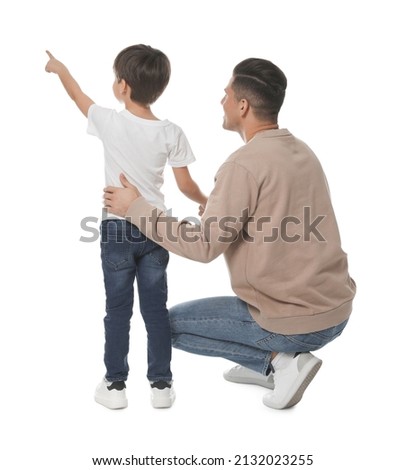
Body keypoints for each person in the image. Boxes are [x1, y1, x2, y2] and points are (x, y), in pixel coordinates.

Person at [103, 57, 356, 410]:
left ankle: (279, 363)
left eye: (226, 94)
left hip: (292, 320)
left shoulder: (243, 164)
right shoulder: (303, 151)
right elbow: (283, 220)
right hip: (337, 310)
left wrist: (136, 207)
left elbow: (204, 247)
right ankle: (273, 363)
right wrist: (221, 211)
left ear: (243, 105)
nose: (220, 101)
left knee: (165, 326)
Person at [45, 45, 207, 410]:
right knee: (156, 310)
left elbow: (77, 95)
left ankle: (115, 386)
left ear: (122, 86)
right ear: (159, 88)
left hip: (118, 228)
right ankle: (161, 386)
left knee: (117, 310)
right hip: (156, 227)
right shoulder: (172, 132)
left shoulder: (110, 121)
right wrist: (208, 202)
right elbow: (185, 186)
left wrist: (61, 68)